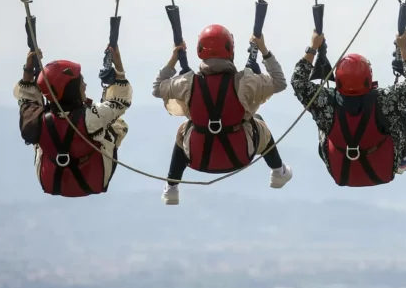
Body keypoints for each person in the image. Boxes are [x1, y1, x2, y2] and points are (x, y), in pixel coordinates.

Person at [153, 23, 293, 205]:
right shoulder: (246, 81)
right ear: (230, 50)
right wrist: (263, 50)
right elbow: (280, 82)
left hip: (199, 157)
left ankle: (171, 187)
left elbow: (157, 88)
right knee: (259, 122)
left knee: (183, 130)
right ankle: (278, 172)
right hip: (239, 154)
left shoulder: (187, 83)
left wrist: (173, 59)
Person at [290, 30, 406, 187]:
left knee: (321, 118)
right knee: (402, 114)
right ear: (368, 78)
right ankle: (404, 158)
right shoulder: (384, 101)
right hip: (383, 169)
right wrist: (404, 49)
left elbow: (298, 82)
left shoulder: (325, 102)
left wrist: (313, 48)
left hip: (341, 172)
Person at [15, 47, 132, 197]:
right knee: (116, 125)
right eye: (81, 82)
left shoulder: (36, 119)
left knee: (37, 133)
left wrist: (29, 71)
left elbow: (26, 102)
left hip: (52, 181)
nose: (85, 86)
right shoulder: (91, 118)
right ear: (71, 89)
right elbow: (120, 102)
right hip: (92, 179)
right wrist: (119, 69)